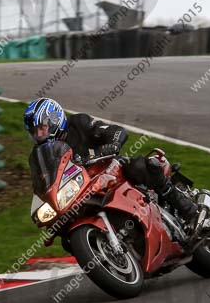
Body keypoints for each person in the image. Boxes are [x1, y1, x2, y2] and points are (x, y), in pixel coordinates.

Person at [23, 97, 200, 228]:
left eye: (41, 129)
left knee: (140, 166)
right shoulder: (39, 155)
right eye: (34, 132)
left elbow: (114, 131)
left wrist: (112, 145)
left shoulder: (78, 123)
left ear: (54, 119)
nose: (38, 135)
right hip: (80, 189)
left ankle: (187, 209)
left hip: (109, 169)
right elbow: (43, 182)